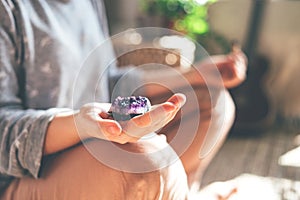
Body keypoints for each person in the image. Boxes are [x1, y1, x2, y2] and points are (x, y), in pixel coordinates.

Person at [0, 0, 247, 199]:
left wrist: (194, 76)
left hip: (93, 134)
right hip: (23, 173)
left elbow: (105, 81)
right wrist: (77, 124)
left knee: (211, 99)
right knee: (148, 162)